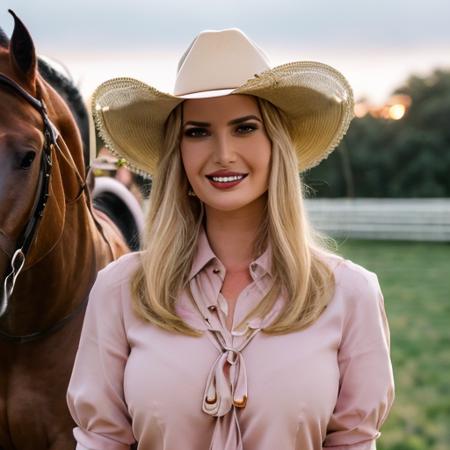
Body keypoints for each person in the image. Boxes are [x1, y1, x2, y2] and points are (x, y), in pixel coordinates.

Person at [67, 29, 395, 450]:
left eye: (244, 128)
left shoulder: (350, 295)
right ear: (178, 153)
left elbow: (353, 441)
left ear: (276, 143)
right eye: (198, 132)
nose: (222, 153)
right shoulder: (120, 292)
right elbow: (101, 441)